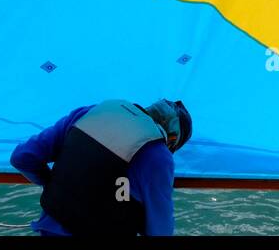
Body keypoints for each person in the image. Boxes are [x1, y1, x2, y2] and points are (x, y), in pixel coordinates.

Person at [11, 98, 191, 236]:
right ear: (173, 139)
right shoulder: (158, 155)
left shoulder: (88, 113)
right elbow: (160, 230)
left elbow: (22, 157)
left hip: (49, 227)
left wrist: (55, 183)